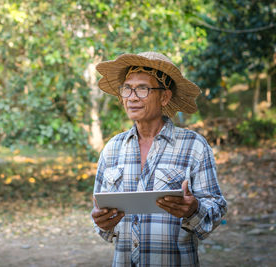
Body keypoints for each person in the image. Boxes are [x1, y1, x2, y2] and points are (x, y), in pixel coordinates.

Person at [91, 52, 227, 266]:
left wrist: (193, 209)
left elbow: (216, 209)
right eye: (127, 88)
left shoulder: (194, 146)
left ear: (164, 97)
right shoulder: (112, 149)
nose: (132, 97)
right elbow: (103, 227)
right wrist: (101, 222)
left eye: (142, 89)